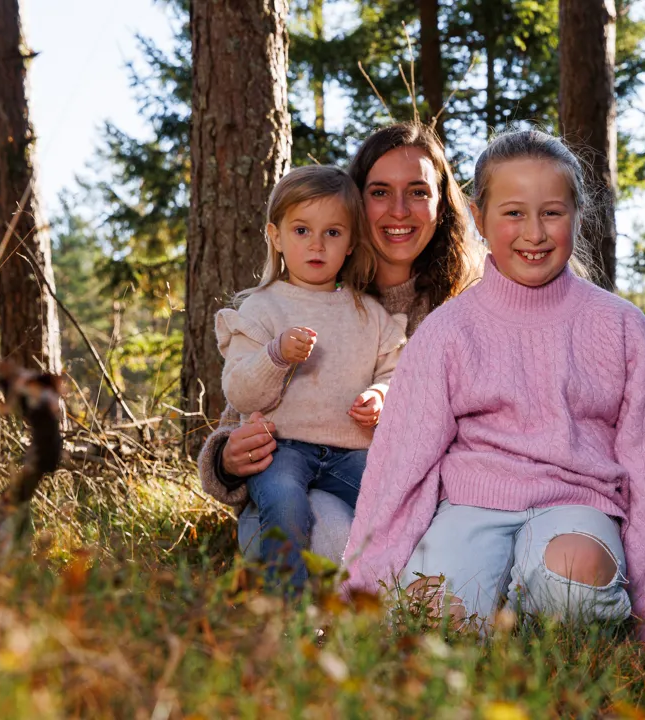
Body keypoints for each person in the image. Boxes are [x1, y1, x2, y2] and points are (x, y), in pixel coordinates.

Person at [343, 130, 645, 635]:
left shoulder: (620, 327)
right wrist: (361, 595)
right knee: (434, 623)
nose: (534, 232)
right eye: (513, 213)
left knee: (575, 587)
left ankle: (544, 636)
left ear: (577, 213)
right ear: (478, 216)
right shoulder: (447, 331)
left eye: (552, 212)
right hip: (469, 507)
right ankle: (490, 632)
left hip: (577, 506)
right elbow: (400, 472)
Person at [196, 122, 481, 564]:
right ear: (353, 204)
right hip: (291, 500)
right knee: (335, 530)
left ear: (442, 205)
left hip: (412, 494)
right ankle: (350, 606)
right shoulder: (306, 294)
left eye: (419, 192)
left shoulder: (466, 309)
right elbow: (241, 409)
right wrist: (227, 460)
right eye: (380, 192)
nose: (399, 210)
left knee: (402, 524)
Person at [215, 164, 405, 592]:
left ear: (352, 242)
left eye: (332, 233)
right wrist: (275, 355)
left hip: (350, 450)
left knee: (392, 502)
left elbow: (393, 373)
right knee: (284, 504)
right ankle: (288, 609)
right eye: (301, 230)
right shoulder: (261, 308)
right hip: (281, 447)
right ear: (276, 236)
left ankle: (396, 596)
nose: (316, 244)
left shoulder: (368, 313)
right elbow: (240, 392)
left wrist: (380, 395)